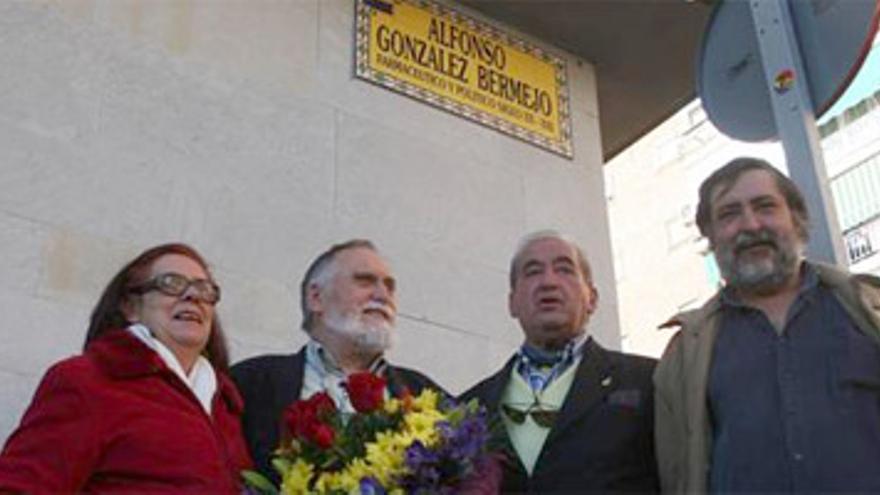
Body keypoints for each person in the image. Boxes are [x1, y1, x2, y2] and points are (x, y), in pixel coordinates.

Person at [654, 157, 880, 494]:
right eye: (729, 214)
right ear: (711, 237)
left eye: (765, 206)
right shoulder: (685, 352)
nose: (750, 225)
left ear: (797, 220)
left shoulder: (868, 308)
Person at [0, 243, 252, 493]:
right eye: (171, 283)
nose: (192, 296)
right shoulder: (88, 381)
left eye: (204, 289)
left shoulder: (225, 405)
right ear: (130, 307)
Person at [231, 239, 445, 481]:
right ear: (316, 297)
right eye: (365, 281)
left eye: (389, 287)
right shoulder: (249, 383)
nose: (382, 295)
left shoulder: (429, 397)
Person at [462, 231, 659, 493]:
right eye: (532, 272)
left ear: (592, 298)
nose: (548, 282)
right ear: (512, 303)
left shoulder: (650, 381)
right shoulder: (469, 409)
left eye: (564, 269)